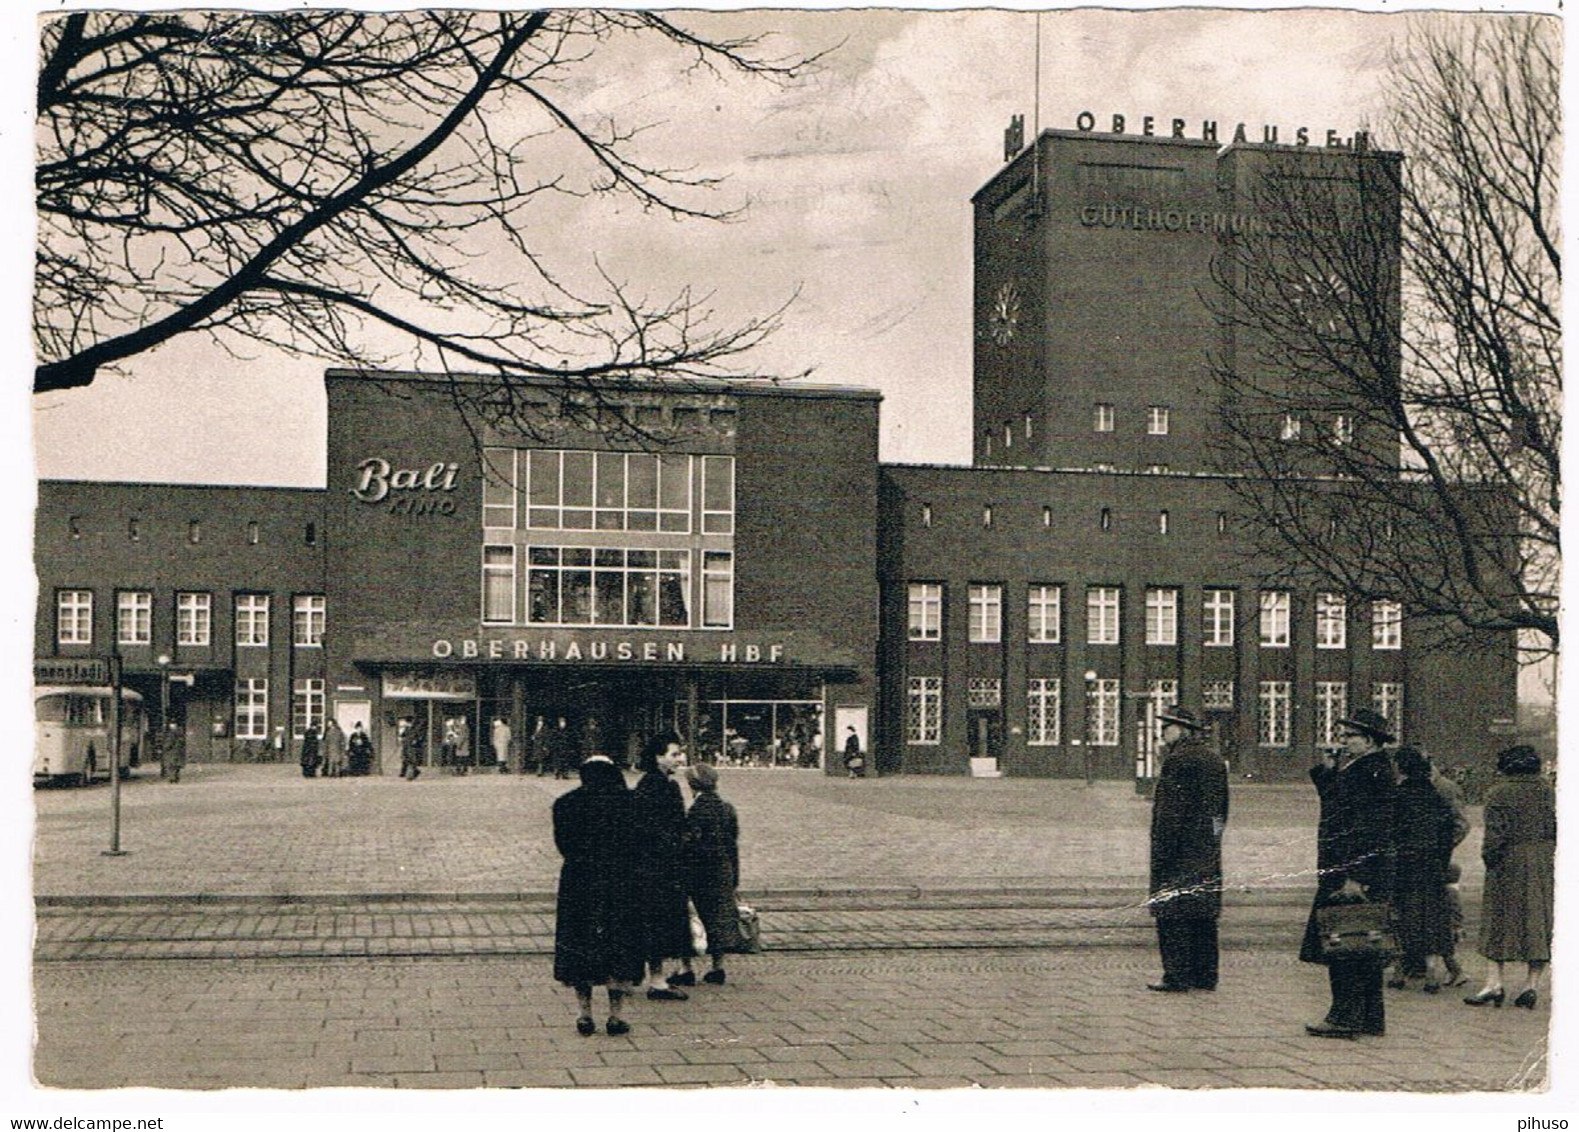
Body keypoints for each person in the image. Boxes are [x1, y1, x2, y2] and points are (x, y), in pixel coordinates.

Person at [1300, 708, 1397, 1039]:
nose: (1342, 743)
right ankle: (1370, 1017)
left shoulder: (1371, 771)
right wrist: (1327, 771)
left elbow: (1370, 829)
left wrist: (1356, 875)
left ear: (1369, 741)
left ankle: (1344, 1016)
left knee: (1344, 945)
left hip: (1351, 873)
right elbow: (1336, 804)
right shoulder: (1364, 768)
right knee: (1363, 945)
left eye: (1349, 737)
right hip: (1349, 869)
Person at [552, 754, 643, 1036]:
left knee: (581, 944)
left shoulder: (565, 804)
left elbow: (563, 845)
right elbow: (639, 843)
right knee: (619, 944)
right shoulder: (630, 803)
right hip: (621, 881)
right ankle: (615, 1016)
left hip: (579, 882)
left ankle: (584, 1013)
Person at [1464, 745, 1555, 1011]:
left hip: (1509, 862)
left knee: (1497, 919)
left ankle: (1494, 983)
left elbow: (1495, 836)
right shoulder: (1549, 792)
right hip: (1543, 861)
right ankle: (1531, 986)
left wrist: (1490, 859)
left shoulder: (1498, 793)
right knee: (1538, 919)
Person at [1146, 706, 1229, 993]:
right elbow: (1221, 812)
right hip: (1205, 850)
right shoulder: (1214, 760)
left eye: (1167, 727)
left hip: (1178, 851)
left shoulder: (1178, 761)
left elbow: (1170, 814)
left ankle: (1176, 976)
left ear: (1182, 730)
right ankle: (1206, 975)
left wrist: (1163, 850)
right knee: (1203, 914)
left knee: (1173, 914)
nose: (1163, 733)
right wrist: (1212, 841)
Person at [630, 734, 693, 1001]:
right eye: (674, 754)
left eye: (680, 754)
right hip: (662, 867)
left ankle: (644, 976)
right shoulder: (664, 787)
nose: (680, 759)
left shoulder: (647, 784)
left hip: (650, 865)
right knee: (659, 922)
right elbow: (666, 827)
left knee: (649, 921)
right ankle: (657, 980)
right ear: (658, 757)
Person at [1389, 746, 1456, 992]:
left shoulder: (1397, 796)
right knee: (1432, 918)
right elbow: (1448, 832)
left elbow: (1390, 833)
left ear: (1401, 767)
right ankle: (1431, 973)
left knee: (1401, 917)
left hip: (1404, 865)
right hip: (1431, 865)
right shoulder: (1435, 797)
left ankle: (1398, 971)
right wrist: (1441, 859)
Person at [682, 763, 743, 985]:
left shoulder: (695, 811)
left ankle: (686, 967)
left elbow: (688, 845)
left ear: (692, 785)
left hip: (698, 871)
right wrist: (734, 875)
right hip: (722, 869)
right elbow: (732, 845)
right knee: (718, 916)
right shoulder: (727, 808)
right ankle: (718, 967)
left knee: (690, 917)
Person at [1442, 862, 1467, 988]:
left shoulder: (1448, 892)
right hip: (1452, 925)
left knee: (1447, 952)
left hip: (1449, 926)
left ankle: (1457, 972)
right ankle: (1453, 974)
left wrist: (1457, 926)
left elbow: (1455, 910)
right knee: (1448, 952)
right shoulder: (1453, 890)